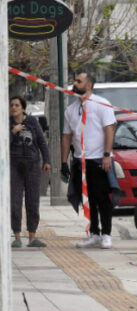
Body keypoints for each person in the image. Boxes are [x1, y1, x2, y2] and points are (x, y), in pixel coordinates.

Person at [61, 71, 117, 249]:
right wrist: (64, 162)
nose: (75, 84)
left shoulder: (102, 104)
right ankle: (94, 233)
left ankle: (107, 234)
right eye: (75, 81)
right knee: (87, 198)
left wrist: (107, 155)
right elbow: (67, 137)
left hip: (98, 160)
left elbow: (109, 129)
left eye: (79, 81)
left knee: (102, 198)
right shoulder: (70, 110)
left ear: (89, 85)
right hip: (80, 161)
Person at [9, 96, 51, 248]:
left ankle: (32, 236)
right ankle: (17, 236)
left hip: (33, 165)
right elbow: (4, 143)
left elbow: (41, 141)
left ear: (23, 107)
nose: (13, 108)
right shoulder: (7, 123)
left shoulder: (32, 122)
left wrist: (47, 160)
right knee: (15, 201)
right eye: (12, 105)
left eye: (17, 105)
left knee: (33, 201)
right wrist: (13, 131)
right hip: (14, 165)